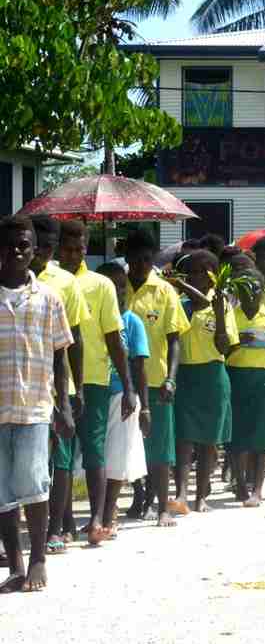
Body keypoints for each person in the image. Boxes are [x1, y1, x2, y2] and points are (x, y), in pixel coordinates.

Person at [0, 215, 74, 593]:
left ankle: (38, 559)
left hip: (34, 407)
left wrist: (64, 406)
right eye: (10, 243)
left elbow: (60, 356)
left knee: (34, 484)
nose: (17, 250)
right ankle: (14, 564)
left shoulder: (49, 299)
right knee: (2, 493)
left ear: (34, 250)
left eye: (24, 244)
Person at [52, 220, 136, 548]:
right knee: (61, 453)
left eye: (79, 248)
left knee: (93, 451)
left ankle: (97, 518)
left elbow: (115, 338)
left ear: (86, 247)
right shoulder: (50, 281)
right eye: (68, 249)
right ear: (59, 248)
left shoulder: (101, 285)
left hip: (95, 380)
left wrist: (127, 386)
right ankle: (63, 522)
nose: (73, 254)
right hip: (59, 383)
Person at [28, 217, 88, 549]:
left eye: (48, 247)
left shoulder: (64, 282)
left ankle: (54, 527)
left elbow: (74, 339)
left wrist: (76, 389)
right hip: (20, 386)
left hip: (57, 383)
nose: (41, 253)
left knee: (60, 460)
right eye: (38, 245)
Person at [125, 229, 190, 527]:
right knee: (129, 444)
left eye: (146, 260)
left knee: (160, 449)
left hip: (156, 379)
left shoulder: (164, 291)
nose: (140, 265)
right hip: (123, 381)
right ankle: (140, 495)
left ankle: (163, 506)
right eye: (135, 259)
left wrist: (171, 379)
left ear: (152, 260)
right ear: (127, 258)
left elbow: (175, 339)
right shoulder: (116, 287)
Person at [170, 250, 238, 515]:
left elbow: (225, 346)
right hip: (186, 374)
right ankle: (181, 494)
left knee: (209, 440)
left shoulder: (221, 305)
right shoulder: (182, 304)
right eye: (190, 273)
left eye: (199, 272)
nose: (193, 277)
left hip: (212, 375)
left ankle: (201, 495)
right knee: (184, 437)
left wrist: (220, 316)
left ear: (211, 277)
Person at [96, 263, 150, 537]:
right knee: (96, 456)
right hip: (95, 392)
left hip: (122, 395)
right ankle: (96, 512)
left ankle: (109, 513)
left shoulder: (132, 322)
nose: (116, 291)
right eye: (110, 285)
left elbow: (140, 367)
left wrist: (144, 405)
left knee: (117, 456)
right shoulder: (92, 317)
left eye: (121, 286)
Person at [226, 270, 265, 507]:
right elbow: (222, 351)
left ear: (263, 291)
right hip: (236, 378)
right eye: (246, 289)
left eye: (256, 289)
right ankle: (241, 485)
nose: (251, 294)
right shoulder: (231, 317)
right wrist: (237, 341)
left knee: (263, 437)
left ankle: (258, 490)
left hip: (264, 382)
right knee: (237, 437)